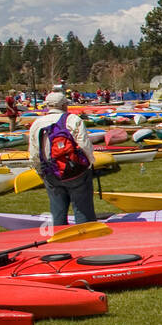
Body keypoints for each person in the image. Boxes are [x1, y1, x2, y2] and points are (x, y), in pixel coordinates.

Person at [25, 90, 96, 226]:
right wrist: (89, 165)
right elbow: (85, 145)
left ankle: (59, 239)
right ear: (64, 105)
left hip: (50, 172)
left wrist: (39, 171)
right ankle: (86, 238)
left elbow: (34, 152)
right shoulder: (73, 120)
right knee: (82, 209)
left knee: (57, 211)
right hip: (76, 171)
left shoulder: (37, 124)